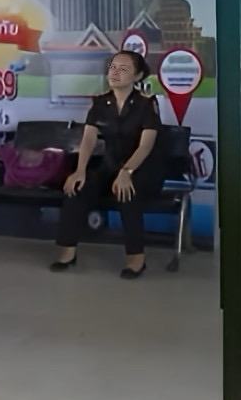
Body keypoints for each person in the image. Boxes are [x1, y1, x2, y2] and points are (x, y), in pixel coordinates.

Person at [52, 50, 165, 279]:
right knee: (77, 188)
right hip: (110, 167)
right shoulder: (100, 103)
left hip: (142, 170)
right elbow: (89, 139)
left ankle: (136, 259)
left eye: (123, 69)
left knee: (127, 192)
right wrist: (80, 170)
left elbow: (146, 145)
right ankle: (68, 251)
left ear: (138, 75)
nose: (115, 73)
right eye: (113, 67)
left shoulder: (147, 104)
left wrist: (127, 172)